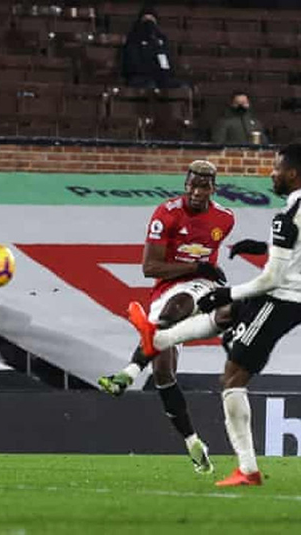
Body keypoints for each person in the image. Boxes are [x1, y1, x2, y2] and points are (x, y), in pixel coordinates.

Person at [126, 143, 301, 487]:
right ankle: (158, 337)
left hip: (284, 297)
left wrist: (227, 291)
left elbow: (272, 279)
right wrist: (264, 248)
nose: (271, 173)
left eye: (276, 168)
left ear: (293, 173)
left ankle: (248, 469)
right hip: (284, 292)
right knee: (225, 317)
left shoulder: (287, 216)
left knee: (232, 377)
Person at [98, 160, 234, 474]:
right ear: (185, 185)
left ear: (214, 188)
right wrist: (197, 266)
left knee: (181, 305)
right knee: (163, 373)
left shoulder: (225, 219)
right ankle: (194, 444)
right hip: (165, 288)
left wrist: (202, 275)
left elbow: (203, 264)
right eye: (193, 185)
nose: (198, 192)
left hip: (199, 288)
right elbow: (150, 267)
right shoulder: (166, 214)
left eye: (205, 186)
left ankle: (128, 373)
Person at [121, 6, 183, 89]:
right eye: (146, 20)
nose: (149, 25)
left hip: (160, 78)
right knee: (150, 86)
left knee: (182, 87)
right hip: (139, 77)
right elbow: (132, 66)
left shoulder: (161, 40)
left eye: (152, 21)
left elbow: (167, 64)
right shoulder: (133, 39)